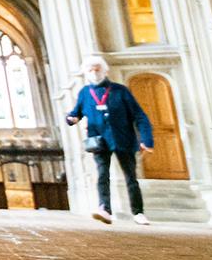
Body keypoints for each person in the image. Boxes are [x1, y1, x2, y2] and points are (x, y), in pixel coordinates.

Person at [66, 56, 155, 226]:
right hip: (99, 141)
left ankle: (138, 212)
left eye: (97, 69)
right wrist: (71, 119)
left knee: (131, 177)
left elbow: (139, 116)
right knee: (102, 175)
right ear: (85, 73)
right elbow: (76, 112)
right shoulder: (85, 92)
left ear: (105, 71)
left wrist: (146, 139)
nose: (94, 72)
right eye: (90, 70)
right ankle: (105, 209)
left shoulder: (120, 90)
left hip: (123, 138)